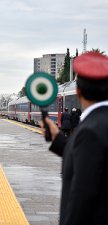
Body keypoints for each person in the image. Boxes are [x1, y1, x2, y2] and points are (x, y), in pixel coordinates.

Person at [41, 52, 108, 225]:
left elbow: (82, 198)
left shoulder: (90, 131)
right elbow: (96, 161)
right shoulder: (100, 123)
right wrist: (58, 140)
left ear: (78, 92)